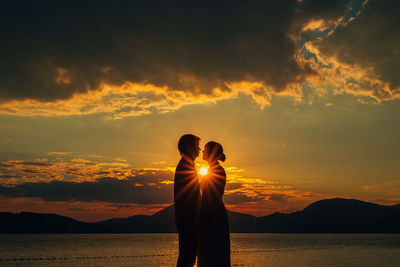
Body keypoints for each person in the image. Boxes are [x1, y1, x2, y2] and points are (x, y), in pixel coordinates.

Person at [198, 141, 230, 267]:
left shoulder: (217, 171)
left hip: (213, 218)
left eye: (205, 149)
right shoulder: (212, 171)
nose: (202, 151)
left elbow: (211, 198)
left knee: (213, 257)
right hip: (212, 216)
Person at [174, 134, 201, 267]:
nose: (200, 149)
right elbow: (190, 198)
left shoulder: (187, 164)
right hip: (189, 221)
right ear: (190, 147)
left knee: (187, 257)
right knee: (187, 258)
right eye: (197, 145)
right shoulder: (185, 166)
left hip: (188, 221)